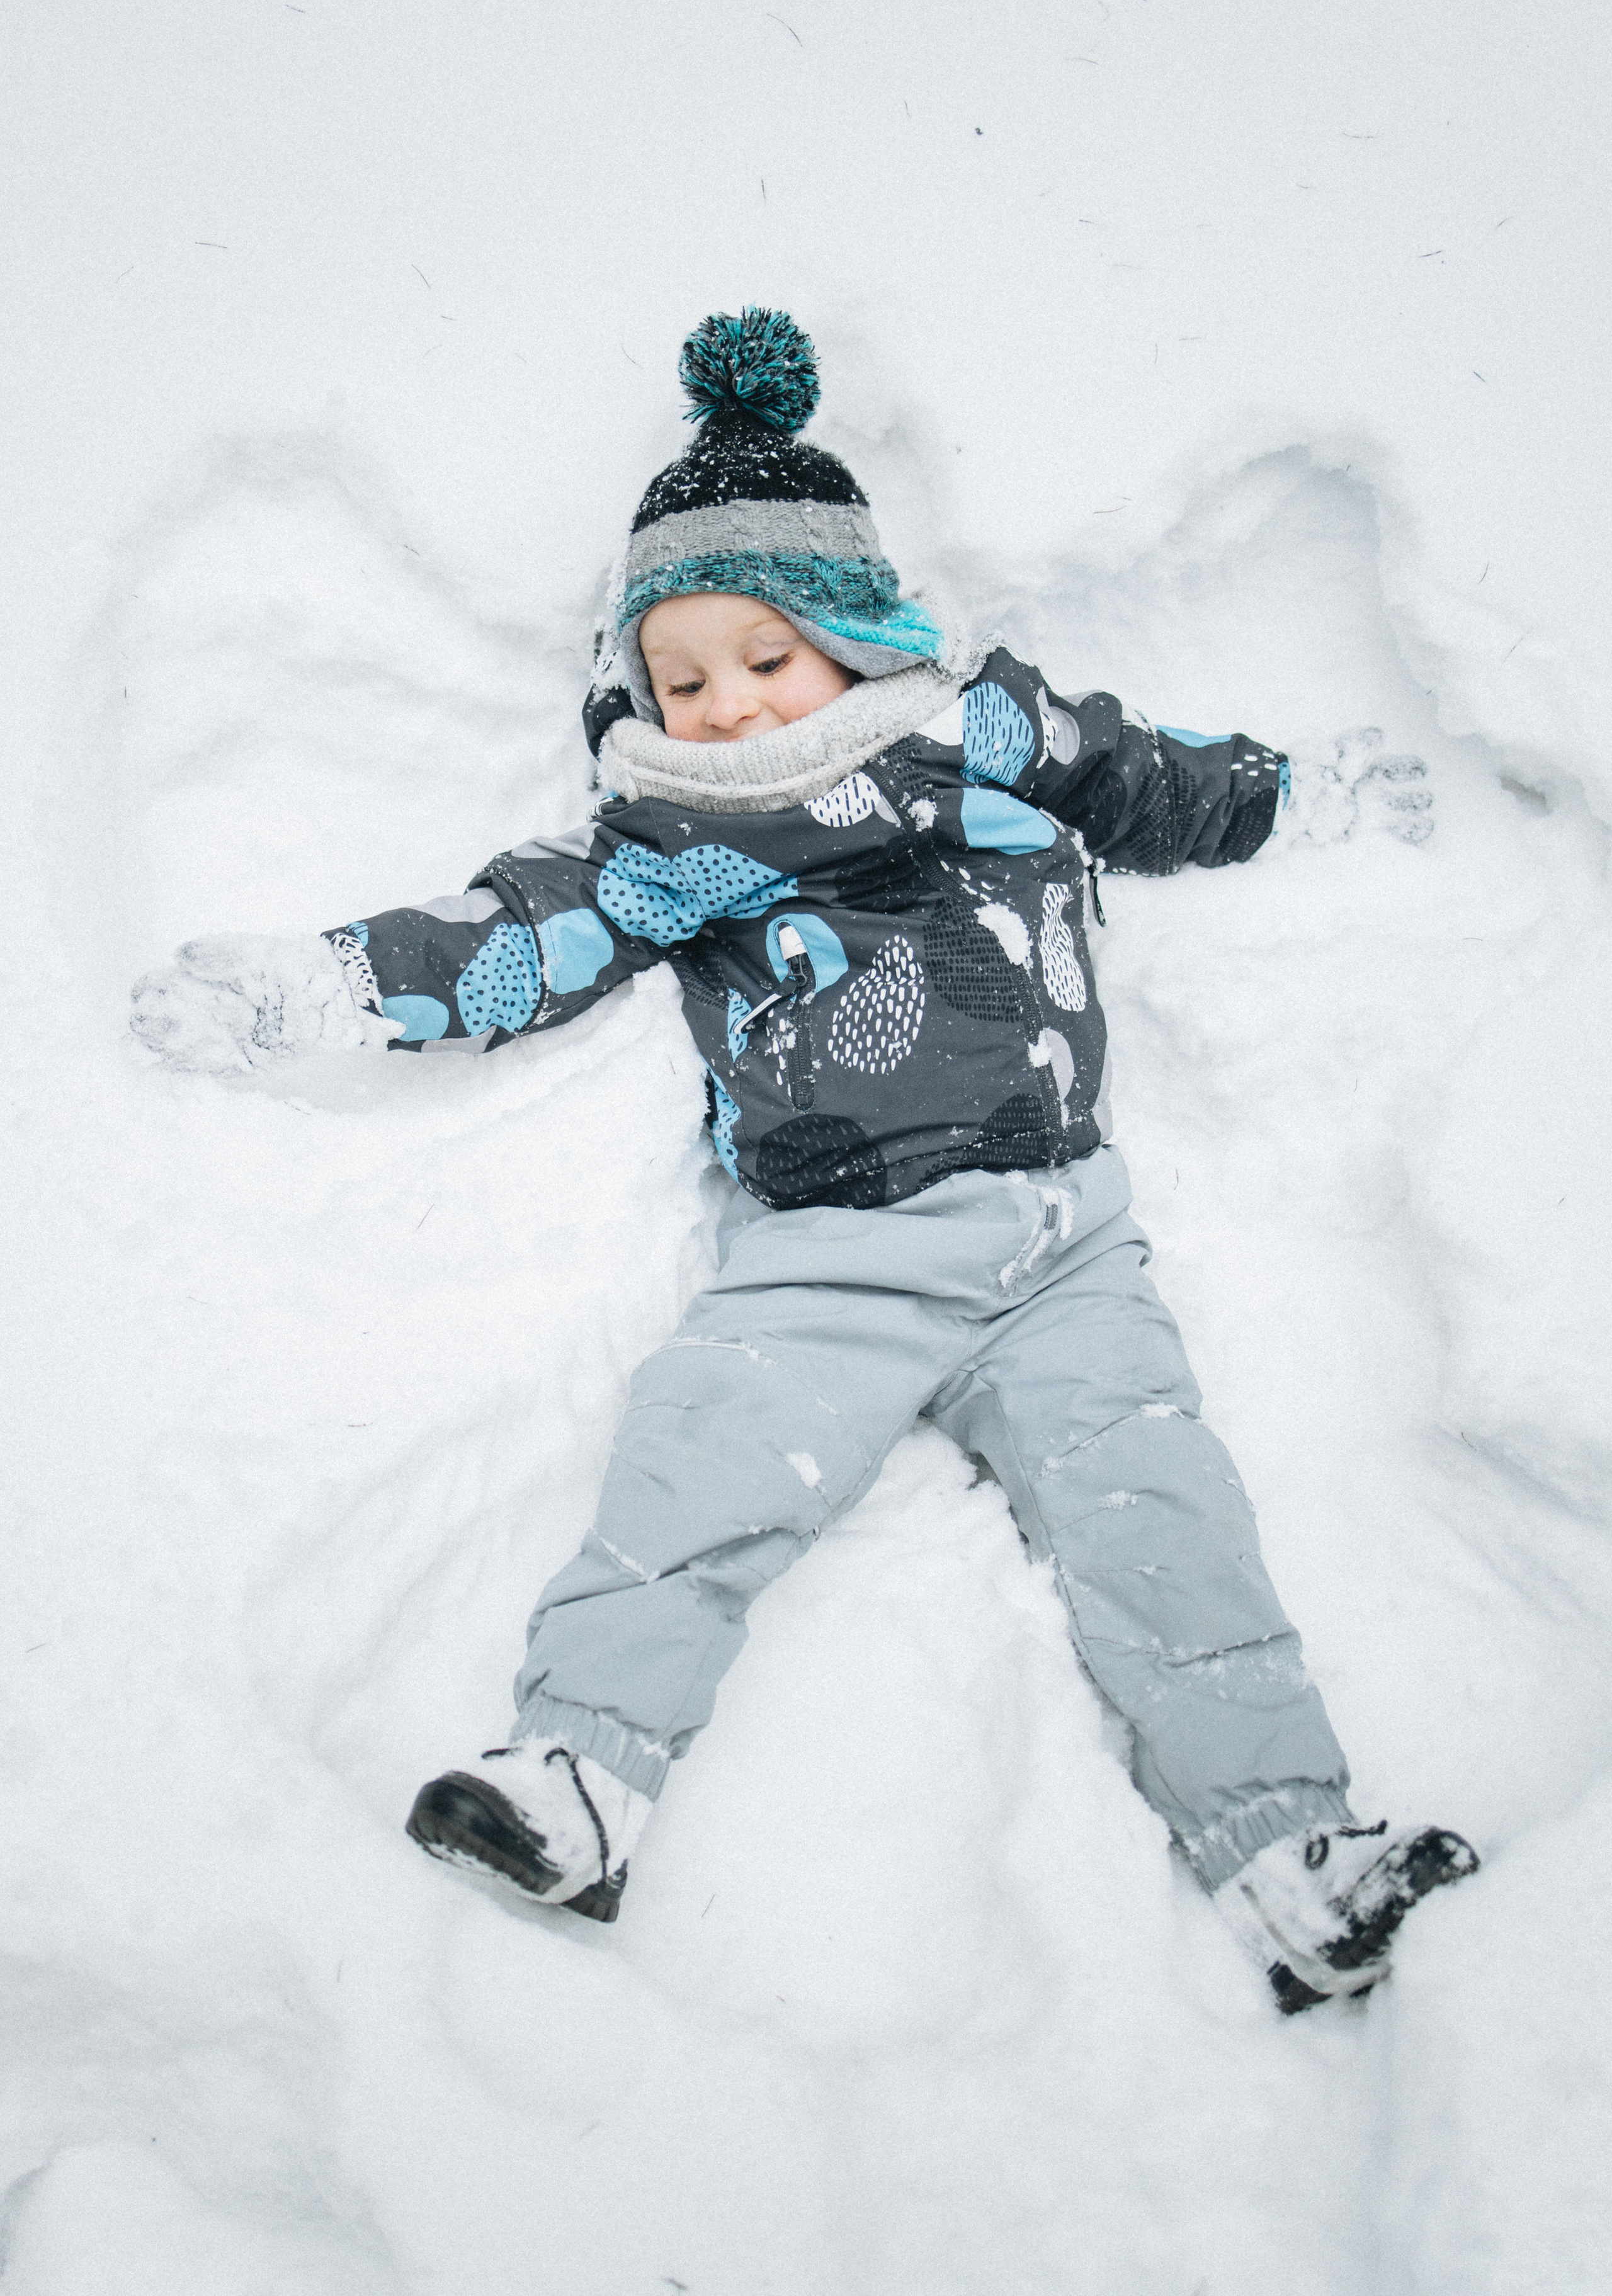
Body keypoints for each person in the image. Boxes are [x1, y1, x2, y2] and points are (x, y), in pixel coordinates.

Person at [131, 309, 1476, 2011]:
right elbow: (524, 936)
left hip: (1069, 1239)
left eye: (761, 657)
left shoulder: (984, 732)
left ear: (847, 625)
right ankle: (583, 1776)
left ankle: (1291, 1854)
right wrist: (331, 985)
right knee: (694, 1465)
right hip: (831, 1250)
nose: (722, 703)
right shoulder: (680, 836)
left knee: (1166, 1523)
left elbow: (1146, 781)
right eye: (678, 680)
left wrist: (1297, 791)